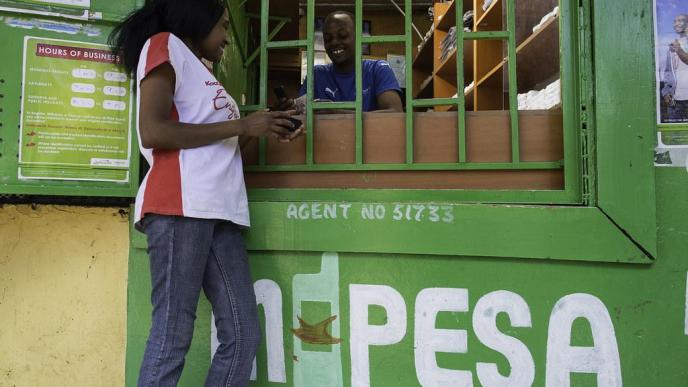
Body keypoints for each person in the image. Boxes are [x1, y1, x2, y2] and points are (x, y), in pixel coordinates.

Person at [109, 0, 301, 385]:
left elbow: (223, 149)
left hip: (221, 212)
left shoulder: (204, 72)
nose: (228, 37)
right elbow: (154, 131)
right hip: (180, 204)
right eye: (223, 26)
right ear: (198, 20)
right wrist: (244, 125)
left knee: (244, 332)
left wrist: (263, 124)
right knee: (173, 332)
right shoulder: (164, 46)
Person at [279, 11, 403, 113]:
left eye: (343, 35)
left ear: (358, 37)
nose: (334, 42)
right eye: (328, 39)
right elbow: (303, 118)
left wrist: (333, 112)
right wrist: (288, 111)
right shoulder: (316, 75)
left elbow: (395, 113)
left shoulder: (378, 69)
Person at [661, 13, 688, 123]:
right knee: (674, 136)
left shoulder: (677, 46)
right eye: (675, 21)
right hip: (676, 100)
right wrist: (666, 92)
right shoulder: (672, 45)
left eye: (680, 20)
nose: (676, 23)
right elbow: (668, 71)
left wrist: (679, 49)